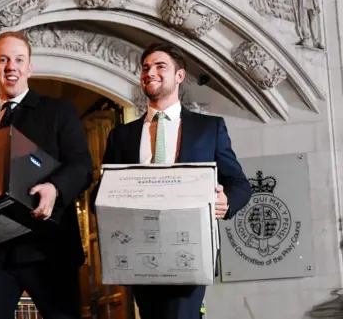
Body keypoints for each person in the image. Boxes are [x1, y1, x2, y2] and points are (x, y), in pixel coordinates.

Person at [91, 42, 252, 319]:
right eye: (145, 68)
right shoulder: (121, 136)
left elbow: (240, 184)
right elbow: (101, 192)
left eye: (159, 66)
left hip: (190, 250)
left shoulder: (209, 128)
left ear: (179, 75)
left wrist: (227, 201)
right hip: (140, 254)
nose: (150, 72)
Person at [0, 31, 93, 319]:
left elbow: (82, 166)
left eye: (19, 59)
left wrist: (55, 188)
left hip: (48, 250)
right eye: (3, 60)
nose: (12, 66)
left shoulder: (58, 112)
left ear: (29, 67)